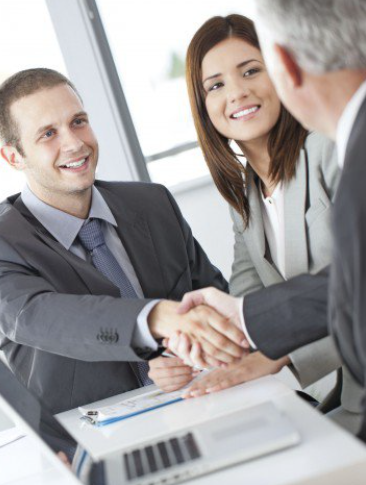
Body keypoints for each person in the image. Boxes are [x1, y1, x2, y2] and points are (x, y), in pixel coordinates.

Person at [149, 14, 362, 431]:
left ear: (282, 69)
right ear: (202, 105)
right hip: (327, 396)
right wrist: (190, 349)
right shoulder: (245, 194)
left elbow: (355, 288)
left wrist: (274, 355)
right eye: (216, 85)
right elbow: (245, 299)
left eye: (251, 71)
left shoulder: (330, 149)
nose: (237, 92)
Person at [0, 68, 246, 418]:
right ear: (14, 157)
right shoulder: (5, 242)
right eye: (48, 133)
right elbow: (46, 318)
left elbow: (215, 301)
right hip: (95, 443)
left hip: (204, 405)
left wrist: (184, 350)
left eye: (79, 121)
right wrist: (156, 320)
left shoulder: (153, 204)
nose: (74, 143)